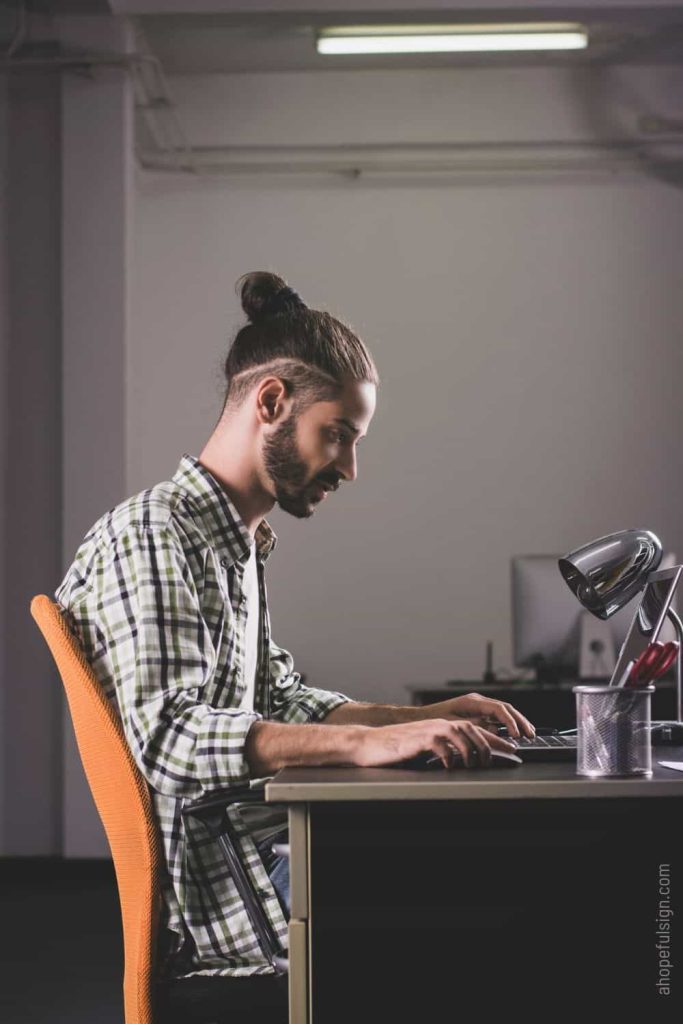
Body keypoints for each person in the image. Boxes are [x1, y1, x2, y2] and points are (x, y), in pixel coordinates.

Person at [54, 271, 535, 1005]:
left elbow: (279, 698)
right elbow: (170, 736)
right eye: (336, 435)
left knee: (505, 875)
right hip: (228, 913)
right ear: (272, 402)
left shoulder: (234, 542)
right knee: (521, 913)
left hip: (259, 862)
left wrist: (420, 721)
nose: (348, 466)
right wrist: (367, 744)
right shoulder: (152, 532)